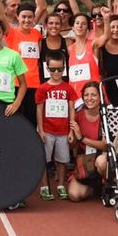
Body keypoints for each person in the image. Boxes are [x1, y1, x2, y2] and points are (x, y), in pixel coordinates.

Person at [35, 57, 80, 201]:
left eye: (59, 69)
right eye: (53, 69)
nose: (56, 72)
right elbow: (39, 109)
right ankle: (44, 187)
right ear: (47, 69)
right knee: (43, 159)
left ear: (64, 68)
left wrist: (71, 130)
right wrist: (40, 130)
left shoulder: (68, 88)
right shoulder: (43, 88)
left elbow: (72, 108)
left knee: (63, 159)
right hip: (47, 129)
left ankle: (61, 186)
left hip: (63, 131)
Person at [67, 81, 107, 202]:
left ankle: (108, 185)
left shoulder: (107, 115)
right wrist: (72, 137)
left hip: (103, 159)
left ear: (100, 97)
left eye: (93, 95)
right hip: (85, 162)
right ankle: (95, 189)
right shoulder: (78, 116)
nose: (89, 98)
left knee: (102, 162)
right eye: (86, 95)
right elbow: (72, 145)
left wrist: (82, 139)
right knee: (74, 195)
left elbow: (106, 146)